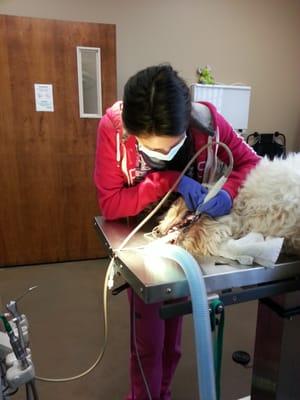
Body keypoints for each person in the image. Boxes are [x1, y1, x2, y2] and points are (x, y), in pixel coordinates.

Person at [94, 64, 260, 400]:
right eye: (150, 148)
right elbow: (110, 203)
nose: (161, 155)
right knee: (149, 342)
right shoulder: (113, 128)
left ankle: (163, 393)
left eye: (171, 147)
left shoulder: (207, 123)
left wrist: (227, 192)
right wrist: (168, 180)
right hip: (141, 240)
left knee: (173, 337)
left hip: (188, 239)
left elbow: (251, 162)